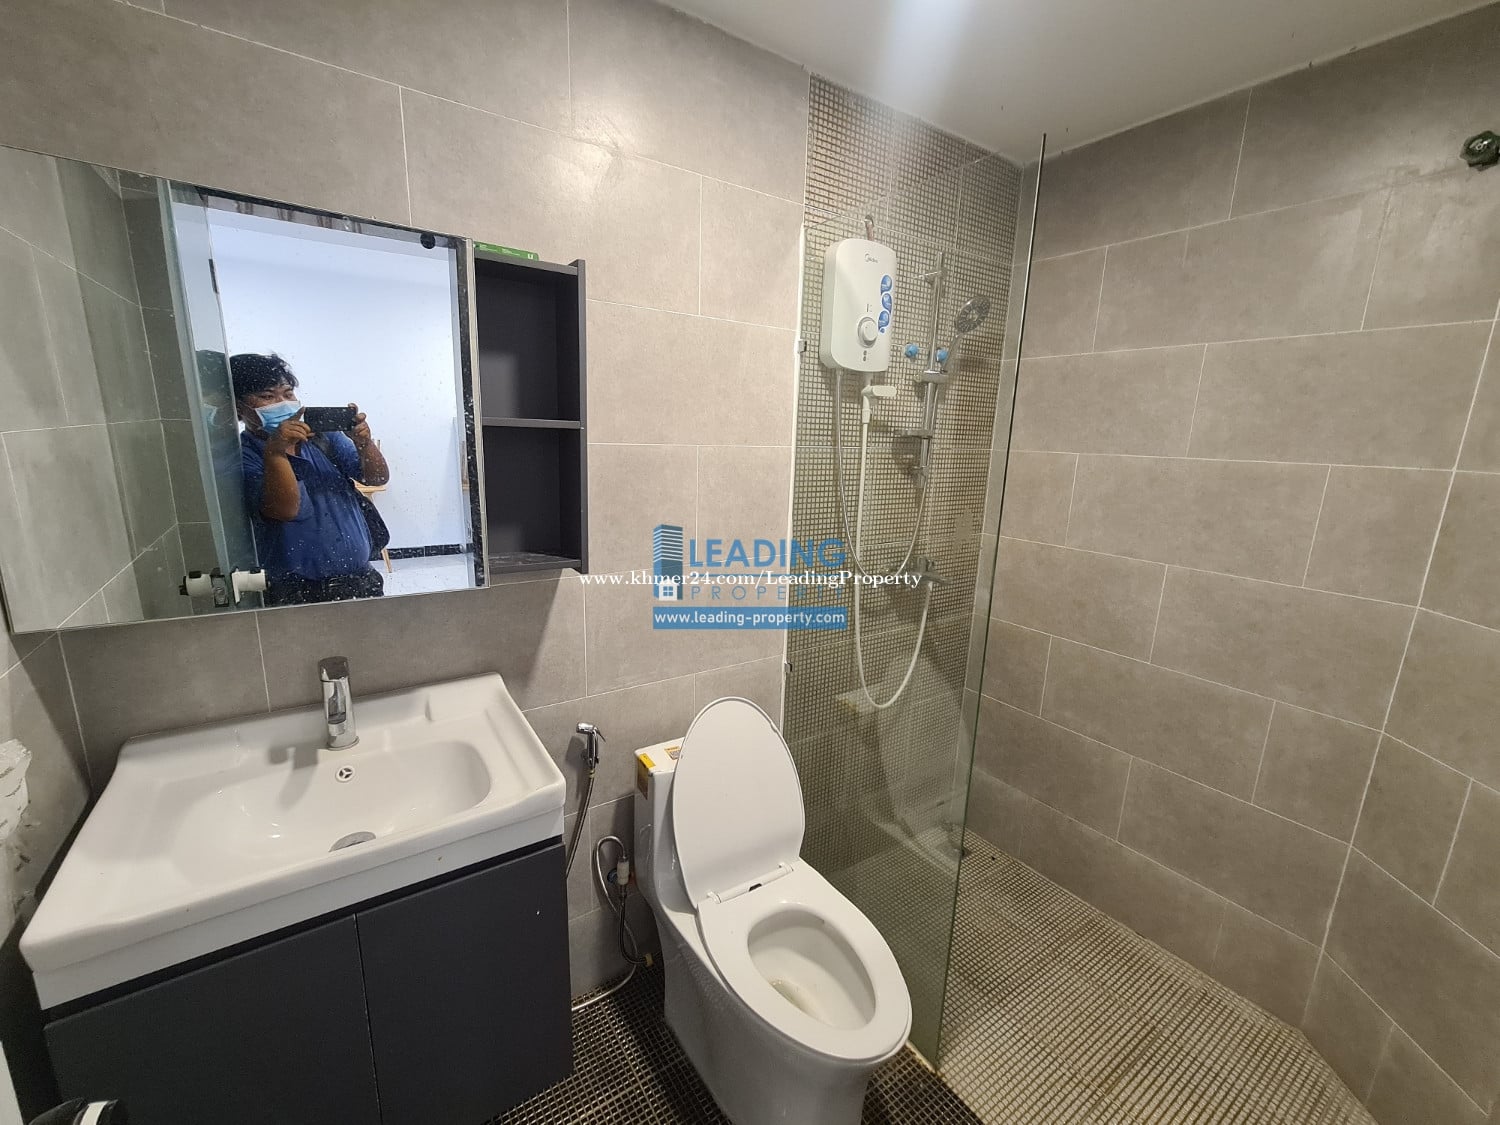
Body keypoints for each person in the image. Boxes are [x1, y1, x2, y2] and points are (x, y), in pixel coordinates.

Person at [230, 353, 391, 606]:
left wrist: (363, 443)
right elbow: (285, 510)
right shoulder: (244, 455)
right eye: (267, 396)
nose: (283, 403)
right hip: (296, 592)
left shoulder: (323, 438)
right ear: (240, 408)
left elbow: (377, 477)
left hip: (360, 580)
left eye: (288, 393)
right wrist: (276, 452)